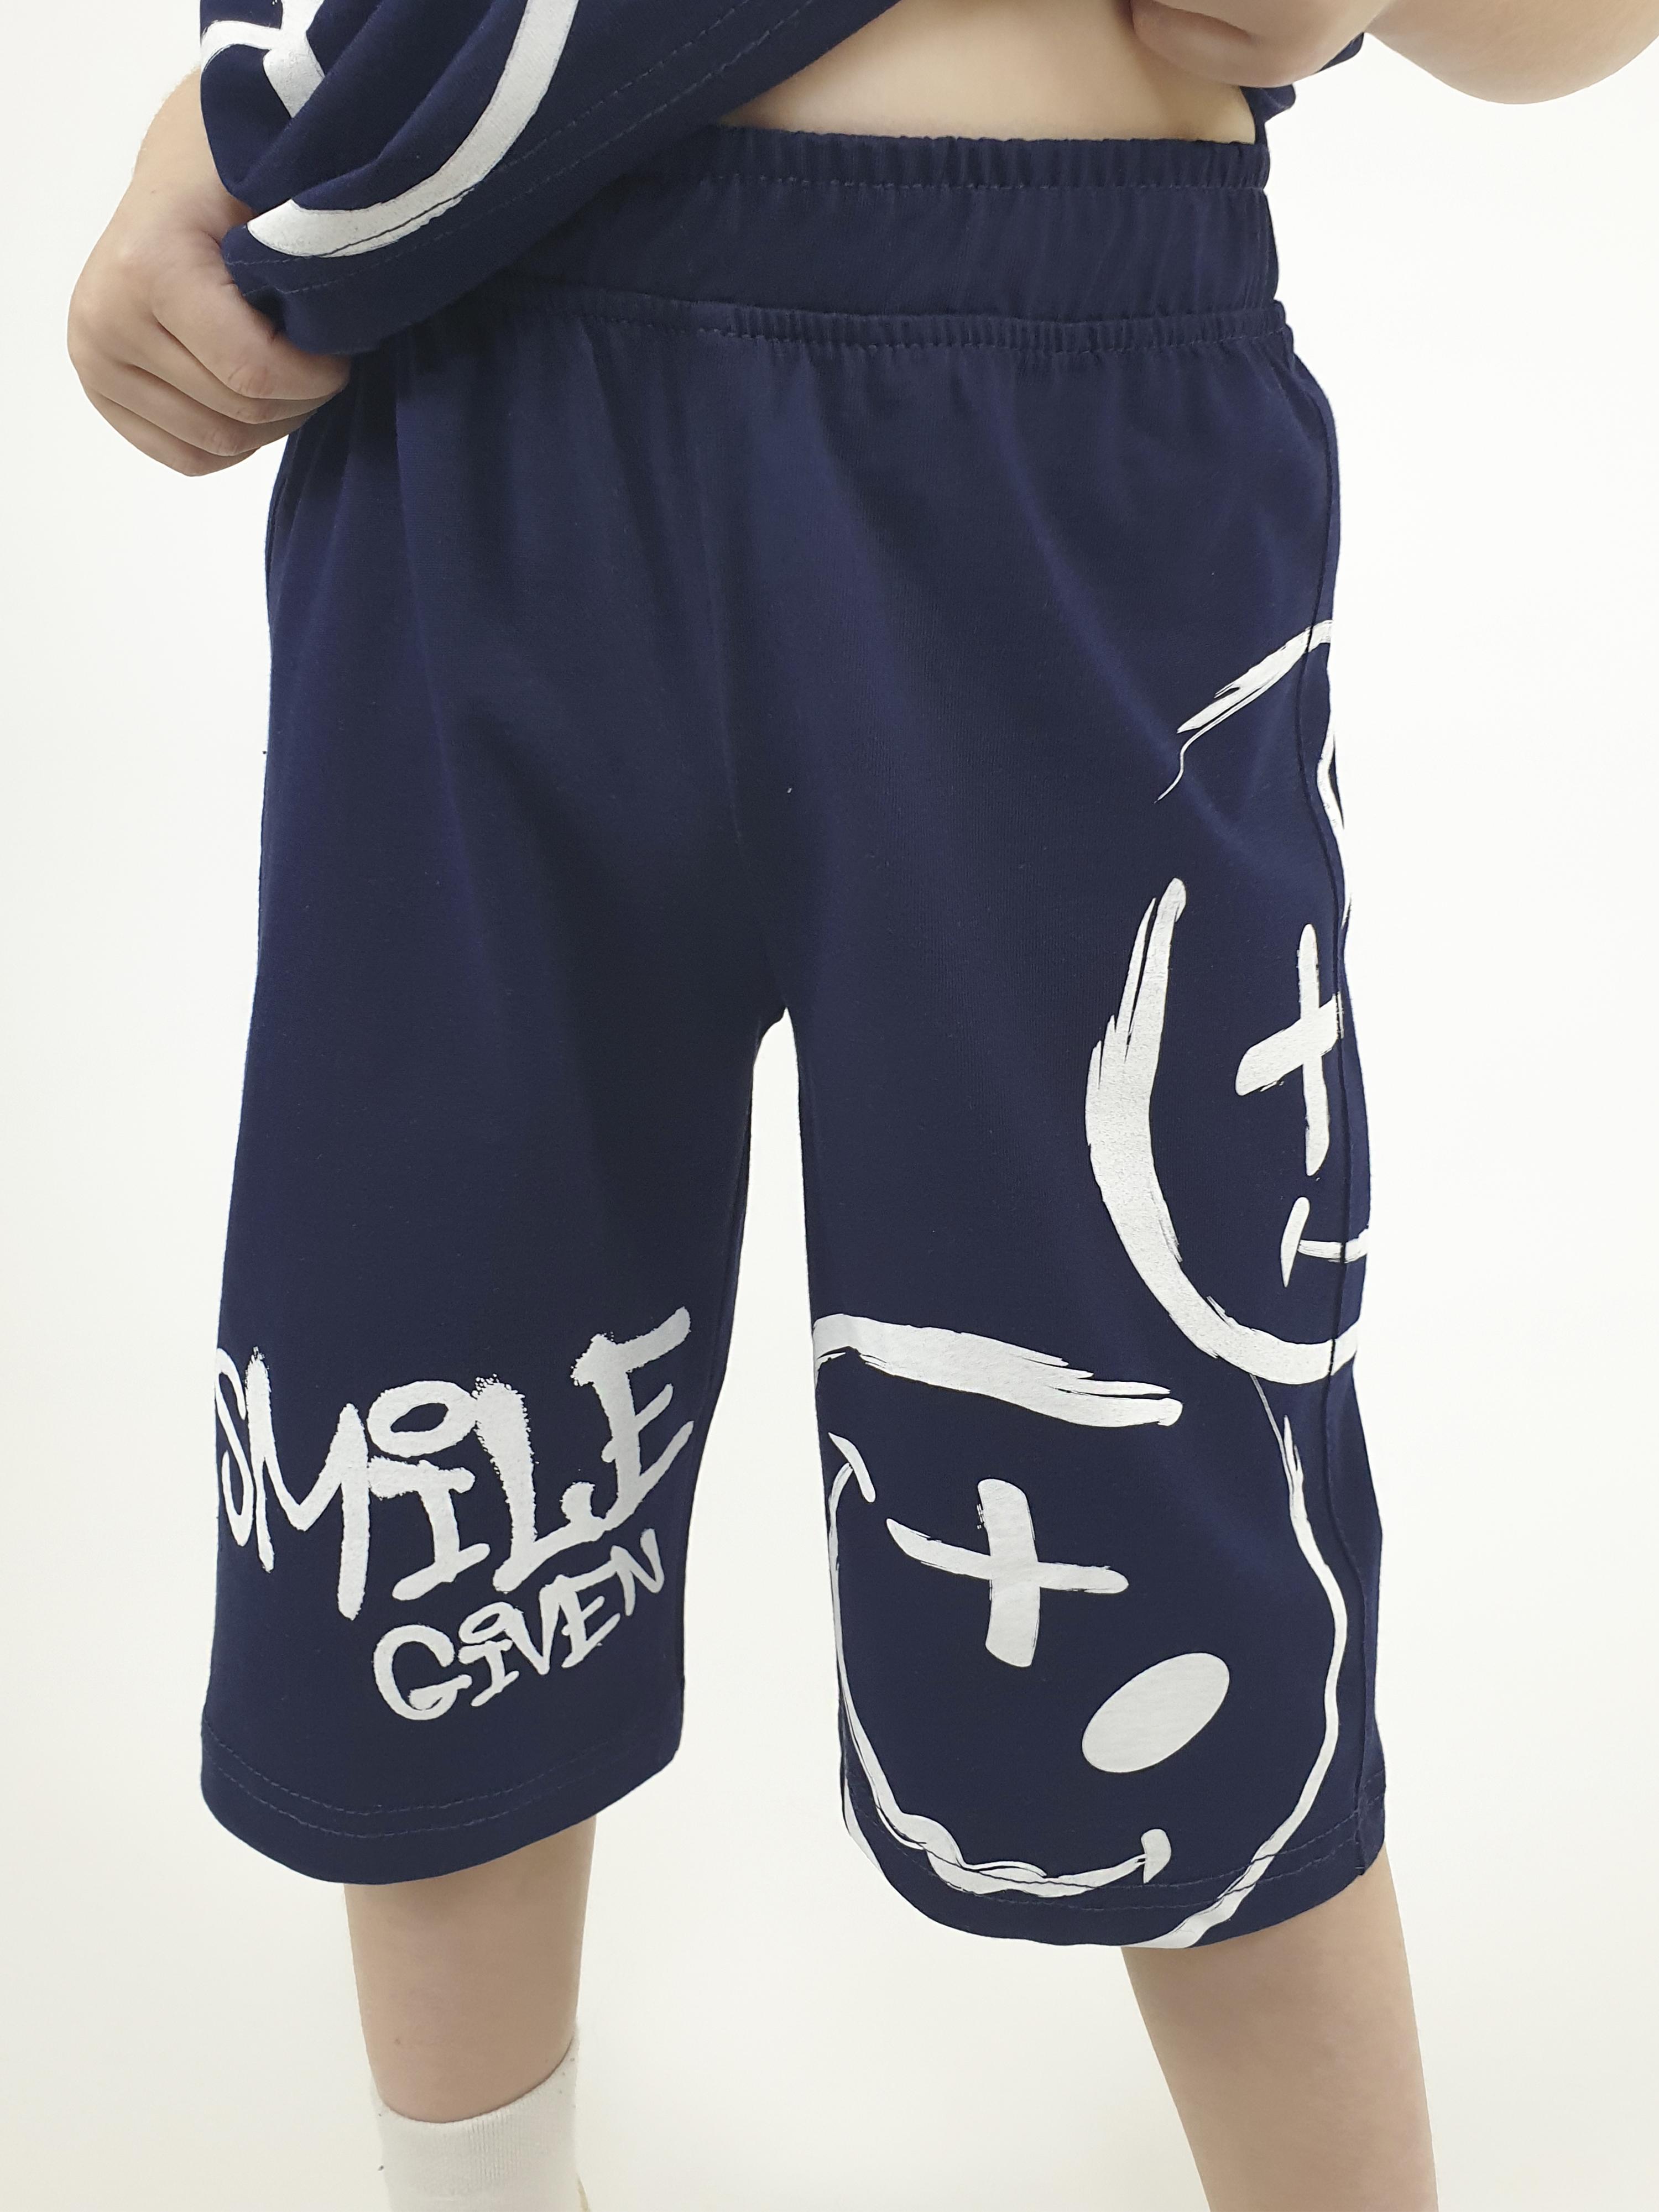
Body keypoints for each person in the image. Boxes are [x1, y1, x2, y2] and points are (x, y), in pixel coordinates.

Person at [65, 6, 1656, 2209]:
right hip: (472, 358)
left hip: (1044, 405)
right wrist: (229, 106)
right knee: (437, 1437)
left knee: (1162, 1479)